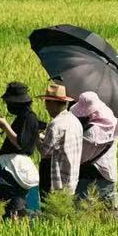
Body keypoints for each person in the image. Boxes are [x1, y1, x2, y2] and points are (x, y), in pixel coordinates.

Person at [0, 81, 48, 220]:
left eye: (9, 103)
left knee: (7, 210)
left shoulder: (29, 117)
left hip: (13, 169)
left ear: (17, 102)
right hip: (12, 167)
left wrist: (5, 126)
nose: (7, 105)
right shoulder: (24, 117)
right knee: (11, 209)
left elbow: (20, 144)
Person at [73, 89, 118, 215]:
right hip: (107, 172)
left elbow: (80, 155)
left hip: (87, 174)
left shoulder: (90, 132)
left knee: (82, 210)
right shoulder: (113, 122)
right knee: (109, 210)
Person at [39, 81, 83, 209]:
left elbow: (44, 152)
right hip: (71, 177)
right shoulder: (75, 121)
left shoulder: (56, 125)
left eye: (47, 103)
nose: (46, 107)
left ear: (53, 103)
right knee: (64, 212)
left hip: (56, 180)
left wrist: (35, 137)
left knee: (50, 212)